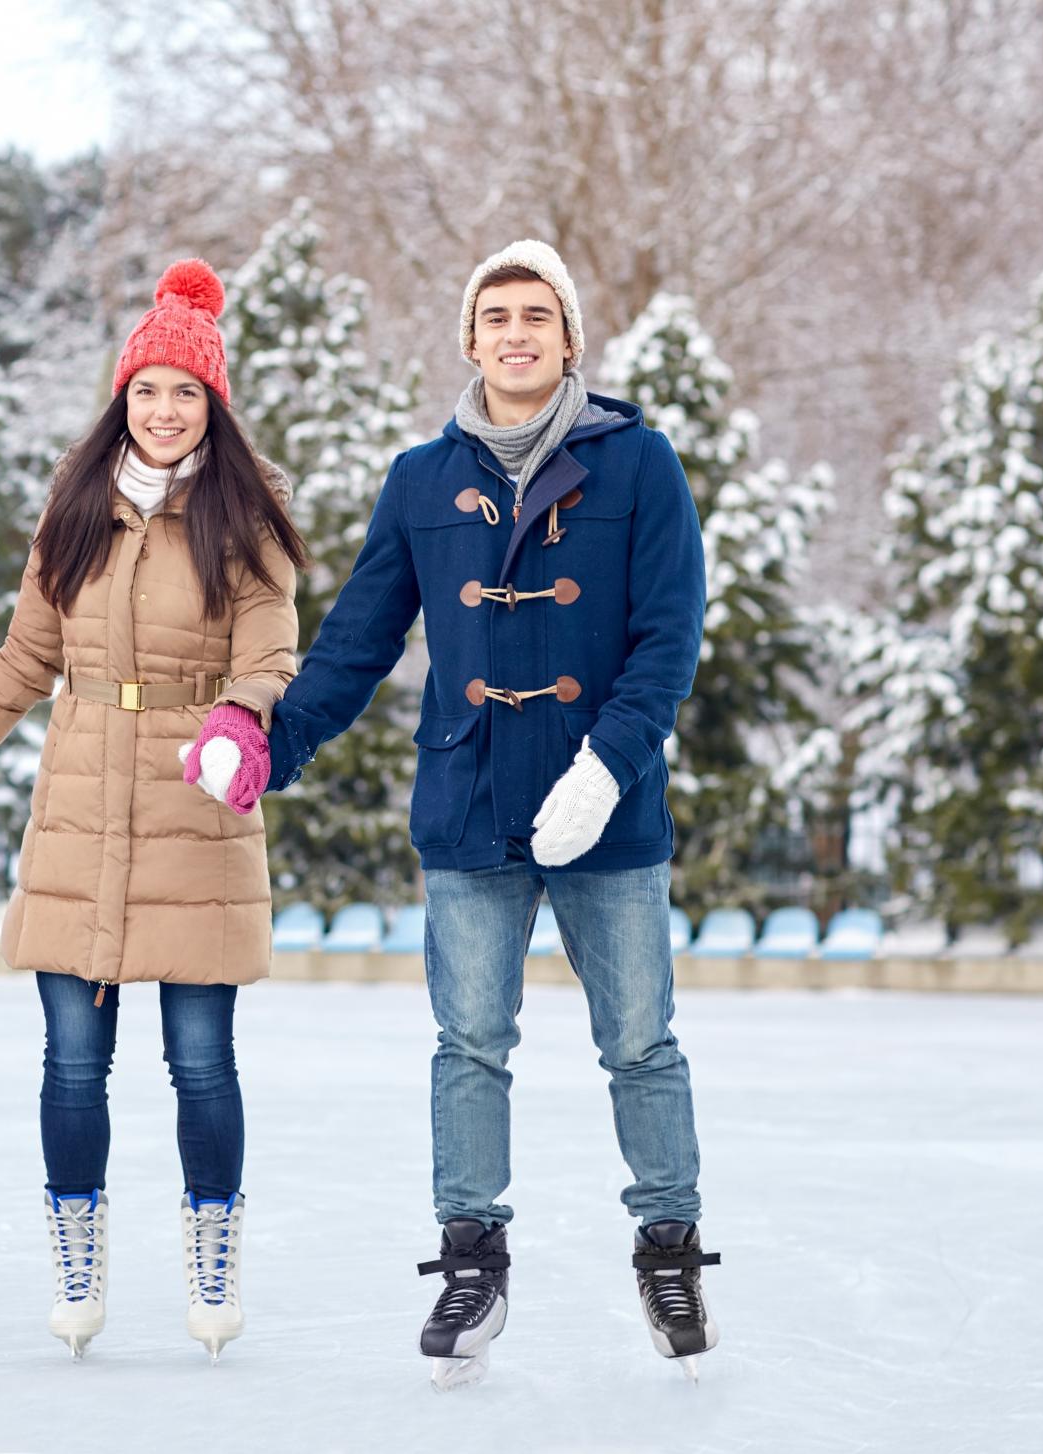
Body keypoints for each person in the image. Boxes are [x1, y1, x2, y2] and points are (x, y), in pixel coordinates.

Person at [262, 240, 721, 1387]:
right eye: (494, 317)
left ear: (569, 339)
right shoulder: (423, 478)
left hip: (603, 810)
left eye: (537, 316)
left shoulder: (639, 464)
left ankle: (669, 1249)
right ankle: (472, 1257)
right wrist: (274, 741)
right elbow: (359, 636)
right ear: (468, 340)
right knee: (469, 1041)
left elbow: (670, 635)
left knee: (639, 1042)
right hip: (468, 802)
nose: (515, 334)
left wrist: (608, 767)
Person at [0, 259, 304, 1361]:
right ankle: (78, 1248)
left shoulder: (244, 515)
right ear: (122, 398)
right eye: (147, 390)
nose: (162, 410)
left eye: (184, 393)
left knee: (200, 1057)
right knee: (70, 1058)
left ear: (213, 406)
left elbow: (270, 647)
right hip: (82, 798)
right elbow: (24, 655)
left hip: (195, 796)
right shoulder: (74, 507)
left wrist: (241, 718)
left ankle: (211, 1245)